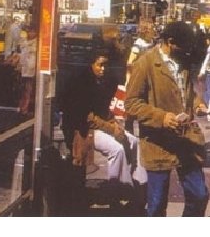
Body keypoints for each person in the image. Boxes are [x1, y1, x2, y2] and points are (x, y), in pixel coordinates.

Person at [124, 22, 209, 217]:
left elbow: (187, 92)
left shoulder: (183, 61)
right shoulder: (145, 63)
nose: (187, 51)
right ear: (170, 42)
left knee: (199, 195)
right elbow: (131, 103)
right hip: (158, 144)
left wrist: (198, 104)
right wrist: (161, 117)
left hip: (186, 141)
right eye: (184, 46)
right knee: (156, 204)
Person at [61, 50, 147, 212]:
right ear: (91, 64)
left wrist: (116, 124)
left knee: (134, 141)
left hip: (101, 125)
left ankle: (139, 187)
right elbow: (88, 117)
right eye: (99, 65)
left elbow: (105, 111)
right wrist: (112, 129)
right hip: (83, 129)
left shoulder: (104, 82)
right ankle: (118, 192)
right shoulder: (81, 82)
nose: (103, 69)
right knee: (117, 150)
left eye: (105, 65)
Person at [17, 25, 37, 115]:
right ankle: (21, 107)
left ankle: (25, 108)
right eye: (29, 31)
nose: (31, 33)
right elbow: (22, 53)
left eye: (33, 31)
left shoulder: (36, 43)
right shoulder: (24, 41)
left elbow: (32, 52)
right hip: (24, 68)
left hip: (31, 70)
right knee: (22, 90)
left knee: (28, 89)